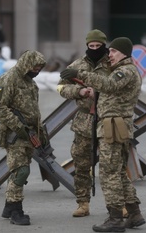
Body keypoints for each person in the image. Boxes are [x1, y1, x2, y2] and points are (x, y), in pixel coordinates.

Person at [60, 37, 146, 232]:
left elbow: (108, 85)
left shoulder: (125, 71)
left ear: (124, 53)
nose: (110, 54)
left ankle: (115, 218)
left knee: (109, 174)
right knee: (118, 173)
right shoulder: (121, 70)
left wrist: (80, 74)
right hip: (112, 126)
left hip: (113, 127)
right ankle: (134, 213)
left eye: (114, 51)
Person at [57, 29, 110, 217]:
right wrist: (78, 92)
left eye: (98, 46)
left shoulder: (112, 64)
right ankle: (83, 203)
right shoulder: (78, 64)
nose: (95, 49)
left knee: (111, 165)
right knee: (81, 165)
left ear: (104, 45)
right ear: (87, 45)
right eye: (91, 46)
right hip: (84, 120)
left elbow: (119, 86)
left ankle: (117, 204)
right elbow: (62, 87)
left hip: (107, 119)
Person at [0, 50, 47, 226]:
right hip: (15, 135)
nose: (37, 70)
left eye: (39, 68)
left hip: (29, 134)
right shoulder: (8, 79)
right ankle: (16, 211)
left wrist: (41, 134)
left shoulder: (30, 82)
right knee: (21, 171)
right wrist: (18, 127)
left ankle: (8, 206)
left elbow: (33, 112)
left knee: (19, 170)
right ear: (26, 63)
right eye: (35, 67)